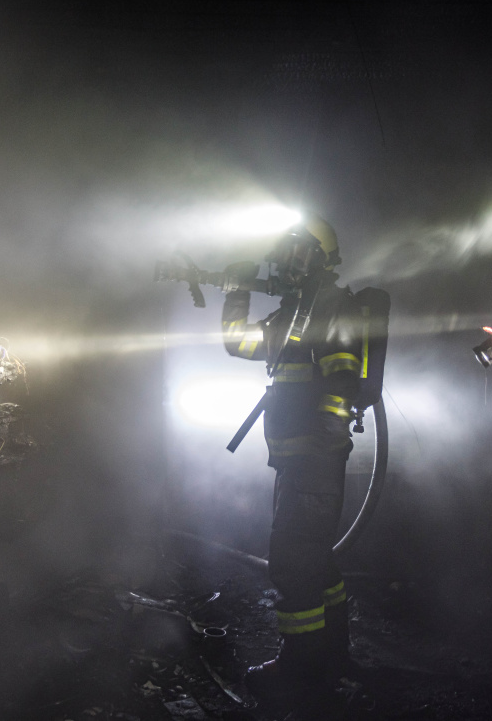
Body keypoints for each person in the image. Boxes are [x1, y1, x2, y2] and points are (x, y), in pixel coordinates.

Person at [219, 214, 362, 695]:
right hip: (297, 462)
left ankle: (301, 668)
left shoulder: (332, 306)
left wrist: (321, 450)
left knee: (292, 563)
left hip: (312, 463)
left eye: (298, 252)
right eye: (285, 252)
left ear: (321, 259)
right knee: (316, 560)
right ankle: (334, 657)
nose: (286, 262)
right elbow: (238, 342)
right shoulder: (290, 316)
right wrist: (237, 291)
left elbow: (343, 380)